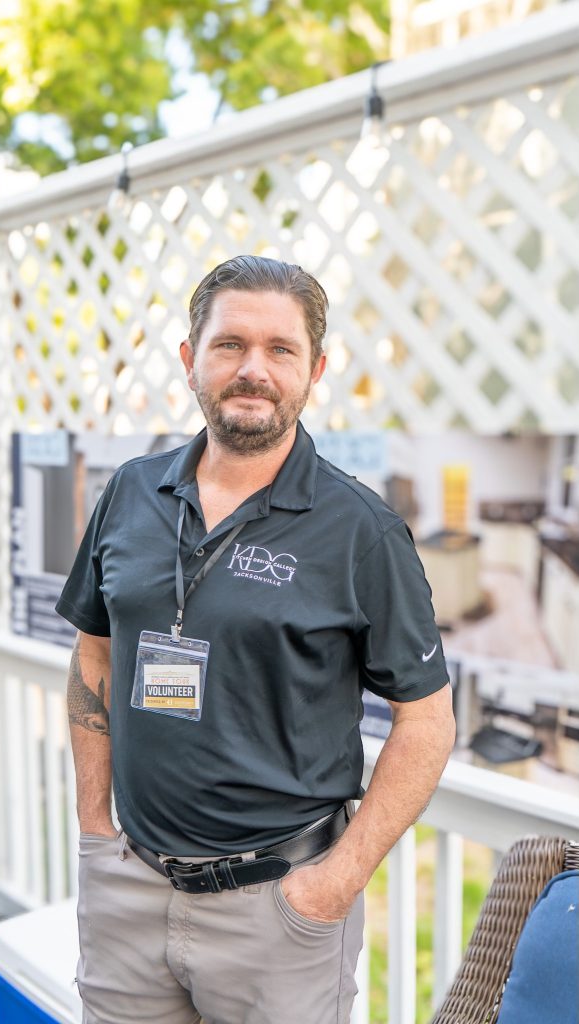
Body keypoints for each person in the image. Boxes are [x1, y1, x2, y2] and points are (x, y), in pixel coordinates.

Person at [55, 254, 456, 1024]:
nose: (253, 369)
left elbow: (427, 719)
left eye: (280, 349)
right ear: (189, 359)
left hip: (278, 908)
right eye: (230, 344)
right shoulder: (130, 492)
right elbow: (94, 653)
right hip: (128, 887)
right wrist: (95, 831)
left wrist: (332, 884)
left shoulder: (360, 532)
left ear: (314, 371)